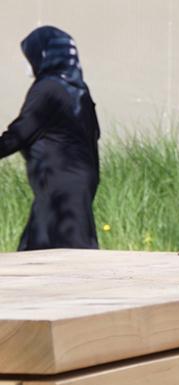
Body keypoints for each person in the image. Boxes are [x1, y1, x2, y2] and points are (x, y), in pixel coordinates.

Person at [0, 26, 101, 251]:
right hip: (78, 181)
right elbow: (93, 135)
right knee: (39, 246)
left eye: (29, 56)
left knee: (64, 254)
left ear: (43, 55)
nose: (27, 64)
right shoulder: (79, 89)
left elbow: (20, 134)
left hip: (58, 184)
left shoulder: (47, 89)